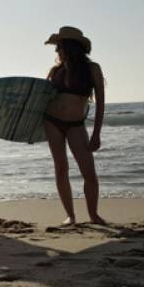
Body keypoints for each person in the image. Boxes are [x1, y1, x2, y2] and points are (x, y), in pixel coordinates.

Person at [42, 26, 106, 226]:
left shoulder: (92, 69)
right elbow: (41, 99)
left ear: (71, 47)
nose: (56, 51)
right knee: (61, 168)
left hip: (76, 124)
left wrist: (96, 134)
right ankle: (70, 216)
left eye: (59, 46)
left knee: (88, 171)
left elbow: (101, 103)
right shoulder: (55, 71)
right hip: (52, 122)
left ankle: (93, 215)